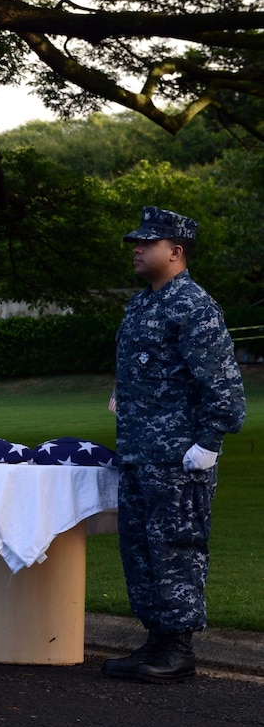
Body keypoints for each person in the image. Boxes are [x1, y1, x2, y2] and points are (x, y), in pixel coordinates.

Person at [102, 207, 246, 684]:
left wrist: (208, 443)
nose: (137, 249)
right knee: (140, 550)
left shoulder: (194, 306)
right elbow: (150, 366)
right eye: (136, 243)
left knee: (176, 549)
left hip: (179, 459)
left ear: (176, 251)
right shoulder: (144, 302)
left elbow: (222, 387)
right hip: (140, 452)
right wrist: (125, 393)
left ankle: (179, 650)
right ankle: (155, 640)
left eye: (148, 242)